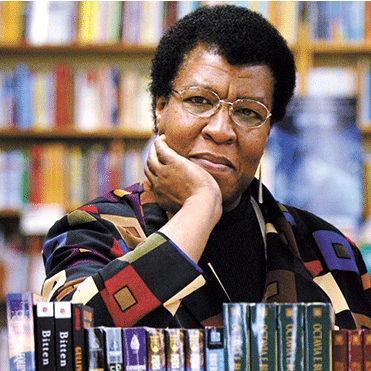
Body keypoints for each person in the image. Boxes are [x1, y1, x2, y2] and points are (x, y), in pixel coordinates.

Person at [41, 4, 371, 330]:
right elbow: (65, 338)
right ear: (161, 108)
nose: (221, 129)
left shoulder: (329, 250)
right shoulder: (94, 231)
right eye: (199, 100)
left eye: (248, 112)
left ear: (269, 132)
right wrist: (201, 206)